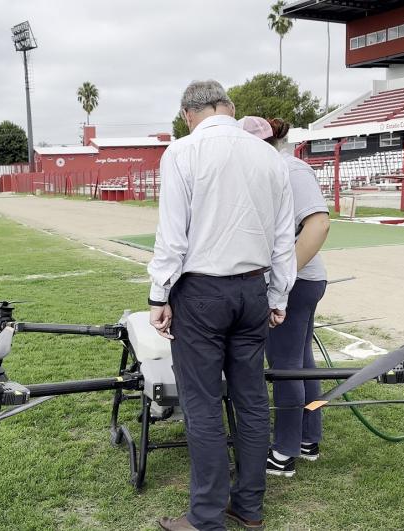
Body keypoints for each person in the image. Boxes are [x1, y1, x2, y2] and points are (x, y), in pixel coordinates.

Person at [149, 81, 296, 531]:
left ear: (189, 113)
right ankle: (248, 505)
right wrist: (278, 295)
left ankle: (206, 515)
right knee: (251, 401)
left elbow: (173, 235)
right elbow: (282, 236)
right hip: (252, 289)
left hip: (201, 292)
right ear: (229, 108)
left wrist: (159, 294)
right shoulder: (269, 156)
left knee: (203, 403)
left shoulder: (182, 151)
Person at [239, 116, 331, 478]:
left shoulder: (290, 170)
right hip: (302, 279)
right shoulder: (275, 169)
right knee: (301, 361)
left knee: (285, 367)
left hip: (298, 282)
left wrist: (282, 278)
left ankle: (284, 451)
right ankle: (308, 438)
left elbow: (319, 223)